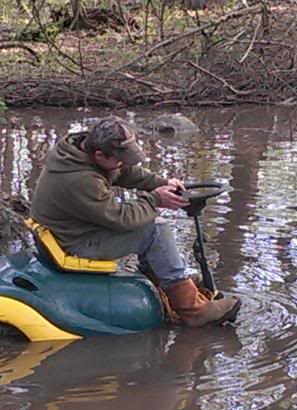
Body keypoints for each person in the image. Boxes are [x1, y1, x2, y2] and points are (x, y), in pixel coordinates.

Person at [30, 116, 241, 327]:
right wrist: (156, 199)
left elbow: (123, 171)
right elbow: (122, 218)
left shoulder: (79, 153)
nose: (123, 163)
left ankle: (165, 282)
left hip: (69, 231)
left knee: (151, 219)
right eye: (120, 158)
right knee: (154, 230)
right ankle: (192, 310)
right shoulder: (81, 180)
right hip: (72, 243)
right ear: (99, 155)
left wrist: (163, 183)